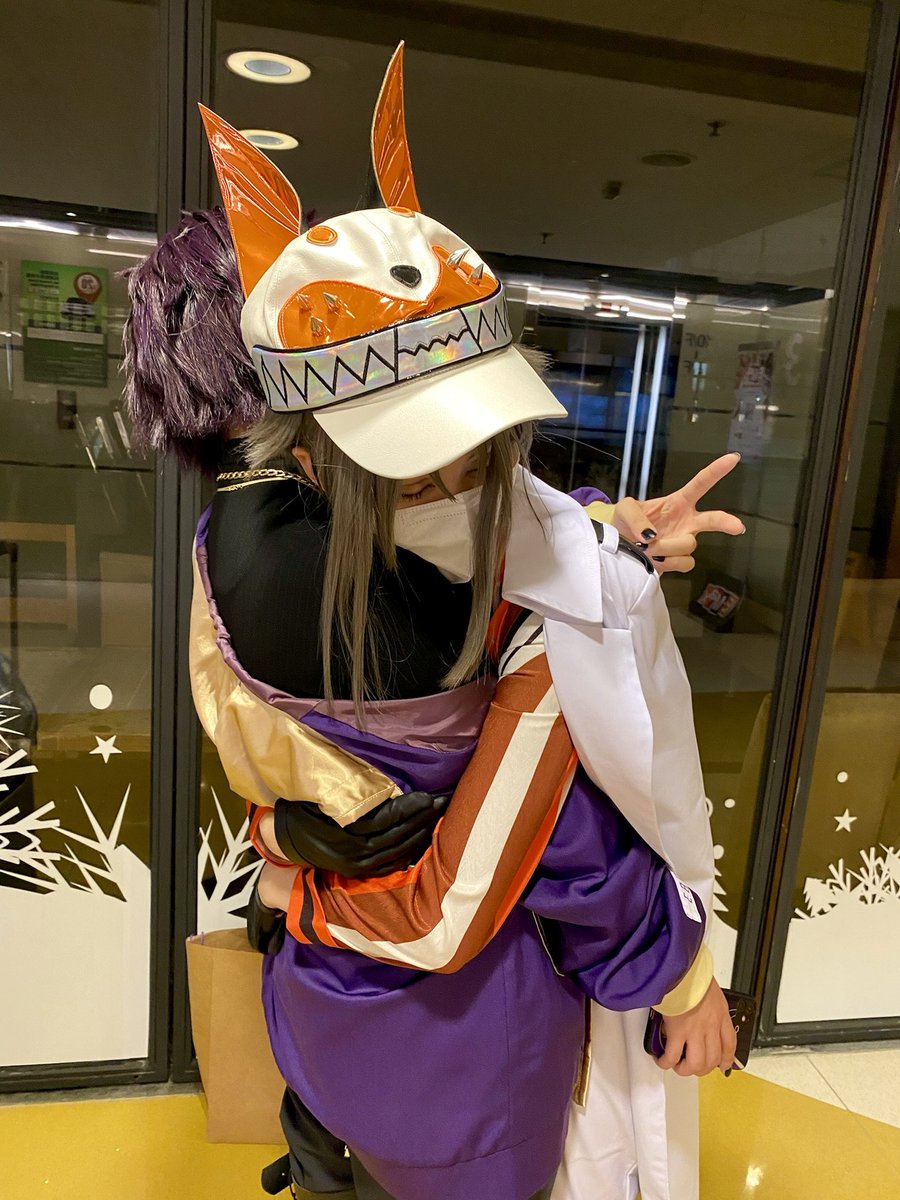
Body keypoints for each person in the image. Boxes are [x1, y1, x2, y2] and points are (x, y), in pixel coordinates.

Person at [123, 48, 742, 1200]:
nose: (465, 479)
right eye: (421, 457)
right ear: (318, 445)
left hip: (325, 1012)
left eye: (480, 444)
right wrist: (685, 980)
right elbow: (558, 851)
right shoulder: (401, 629)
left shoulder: (247, 524)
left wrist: (611, 530)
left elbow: (484, 541)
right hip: (461, 1058)